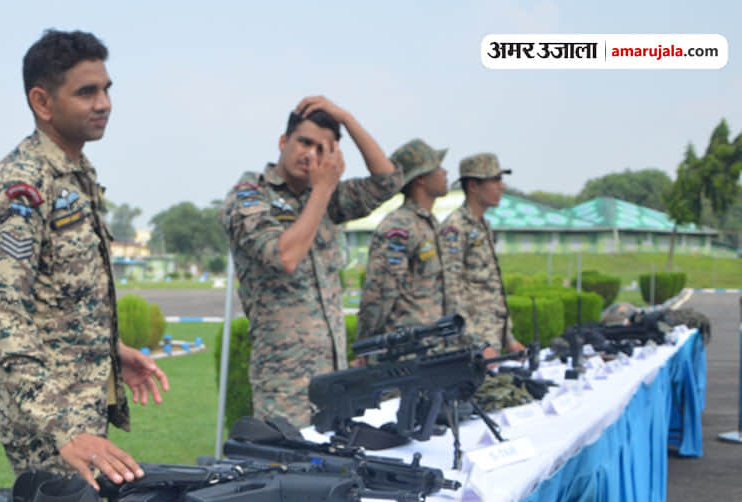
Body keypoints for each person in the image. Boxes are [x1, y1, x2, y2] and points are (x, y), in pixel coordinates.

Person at [0, 29, 168, 489]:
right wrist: (63, 429)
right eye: (86, 92)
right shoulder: (19, 187)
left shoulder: (75, 173)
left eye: (106, 89)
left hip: (81, 406)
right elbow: (6, 317)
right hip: (49, 422)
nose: (104, 103)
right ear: (43, 102)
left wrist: (111, 352)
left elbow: (59, 297)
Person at [220, 97, 401, 426]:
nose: (311, 155)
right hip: (285, 386)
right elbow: (283, 256)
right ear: (283, 141)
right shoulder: (251, 195)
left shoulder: (325, 197)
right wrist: (323, 190)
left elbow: (388, 182)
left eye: (322, 149)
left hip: (334, 376)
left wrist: (346, 118)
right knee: (294, 471)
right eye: (304, 142)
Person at [357, 138, 452, 343]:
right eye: (438, 167)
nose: (445, 173)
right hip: (405, 348)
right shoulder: (399, 227)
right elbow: (381, 291)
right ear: (420, 179)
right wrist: (366, 344)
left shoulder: (430, 223)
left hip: (433, 344)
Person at [440, 153, 526, 355]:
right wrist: (476, 343)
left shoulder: (483, 226)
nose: (501, 187)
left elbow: (491, 289)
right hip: (470, 347)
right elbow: (452, 292)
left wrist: (509, 339)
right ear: (473, 186)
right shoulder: (455, 227)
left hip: (491, 341)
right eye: (495, 180)